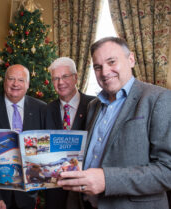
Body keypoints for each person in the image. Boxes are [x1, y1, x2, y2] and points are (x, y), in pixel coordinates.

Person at [58, 37, 171, 209]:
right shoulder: (93, 106)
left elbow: (167, 171)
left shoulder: (158, 99)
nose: (104, 72)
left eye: (112, 62)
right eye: (97, 67)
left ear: (131, 59)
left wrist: (107, 180)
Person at [0, 64, 46, 209]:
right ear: (4, 81)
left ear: (28, 84)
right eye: (11, 79)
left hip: (27, 193)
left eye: (21, 80)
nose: (15, 84)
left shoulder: (42, 109)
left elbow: (43, 151)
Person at [44, 57, 95, 209]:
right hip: (55, 188)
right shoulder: (46, 110)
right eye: (55, 78)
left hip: (86, 188)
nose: (60, 82)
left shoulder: (94, 105)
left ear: (75, 77)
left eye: (65, 76)